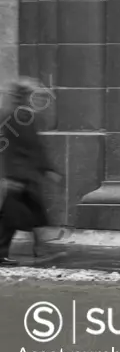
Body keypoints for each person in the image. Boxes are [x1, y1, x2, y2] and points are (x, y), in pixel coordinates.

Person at [0, 79, 62, 266]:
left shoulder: (13, 116)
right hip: (21, 176)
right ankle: (37, 249)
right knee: (13, 218)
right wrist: (47, 168)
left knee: (32, 213)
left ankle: (40, 248)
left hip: (20, 175)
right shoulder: (22, 116)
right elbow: (33, 147)